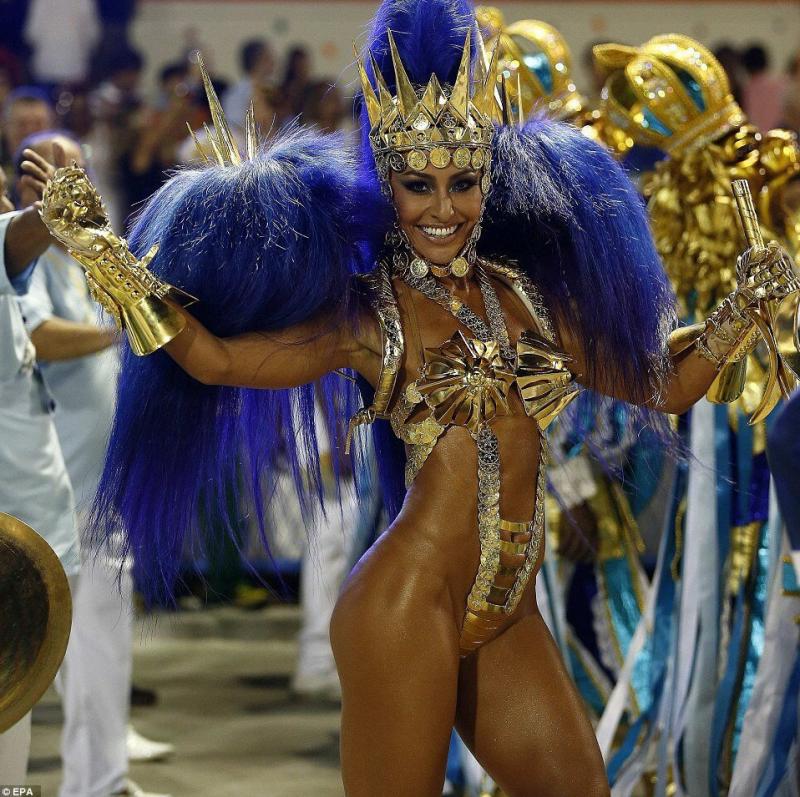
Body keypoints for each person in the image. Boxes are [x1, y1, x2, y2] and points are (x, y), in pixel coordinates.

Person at [36, 1, 799, 794]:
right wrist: (106, 257)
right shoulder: (372, 316)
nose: (442, 208)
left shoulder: (530, 298)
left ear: (486, 179)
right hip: (405, 605)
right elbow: (219, 359)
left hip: (508, 611)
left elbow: (660, 385)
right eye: (417, 185)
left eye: (462, 183)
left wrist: (743, 310)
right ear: (389, 186)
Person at [593, 35, 800, 794]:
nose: (639, 186)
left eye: (643, 162)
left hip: (767, 466)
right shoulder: (682, 232)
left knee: (754, 609)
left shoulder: (773, 199)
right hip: (716, 456)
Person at [16, 131, 172, 797]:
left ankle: (101, 777)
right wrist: (122, 326)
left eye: (81, 170)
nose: (76, 182)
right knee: (66, 639)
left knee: (98, 637)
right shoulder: (22, 260)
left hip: (100, 479)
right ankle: (94, 779)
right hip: (54, 481)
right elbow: (38, 338)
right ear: (30, 184)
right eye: (60, 170)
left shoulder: (86, 259)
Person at [0, 131, 79, 785]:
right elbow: (24, 232)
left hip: (25, 530)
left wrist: (48, 214)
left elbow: (21, 234)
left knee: (11, 722)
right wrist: (47, 213)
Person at [222, 38, 275, 130]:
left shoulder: (272, 90)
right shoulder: (236, 94)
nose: (274, 62)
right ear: (259, 61)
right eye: (269, 57)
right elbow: (235, 127)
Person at [742, 43, 789, 132]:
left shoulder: (747, 90)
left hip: (758, 137)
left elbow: (751, 118)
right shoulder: (781, 83)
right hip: (780, 135)